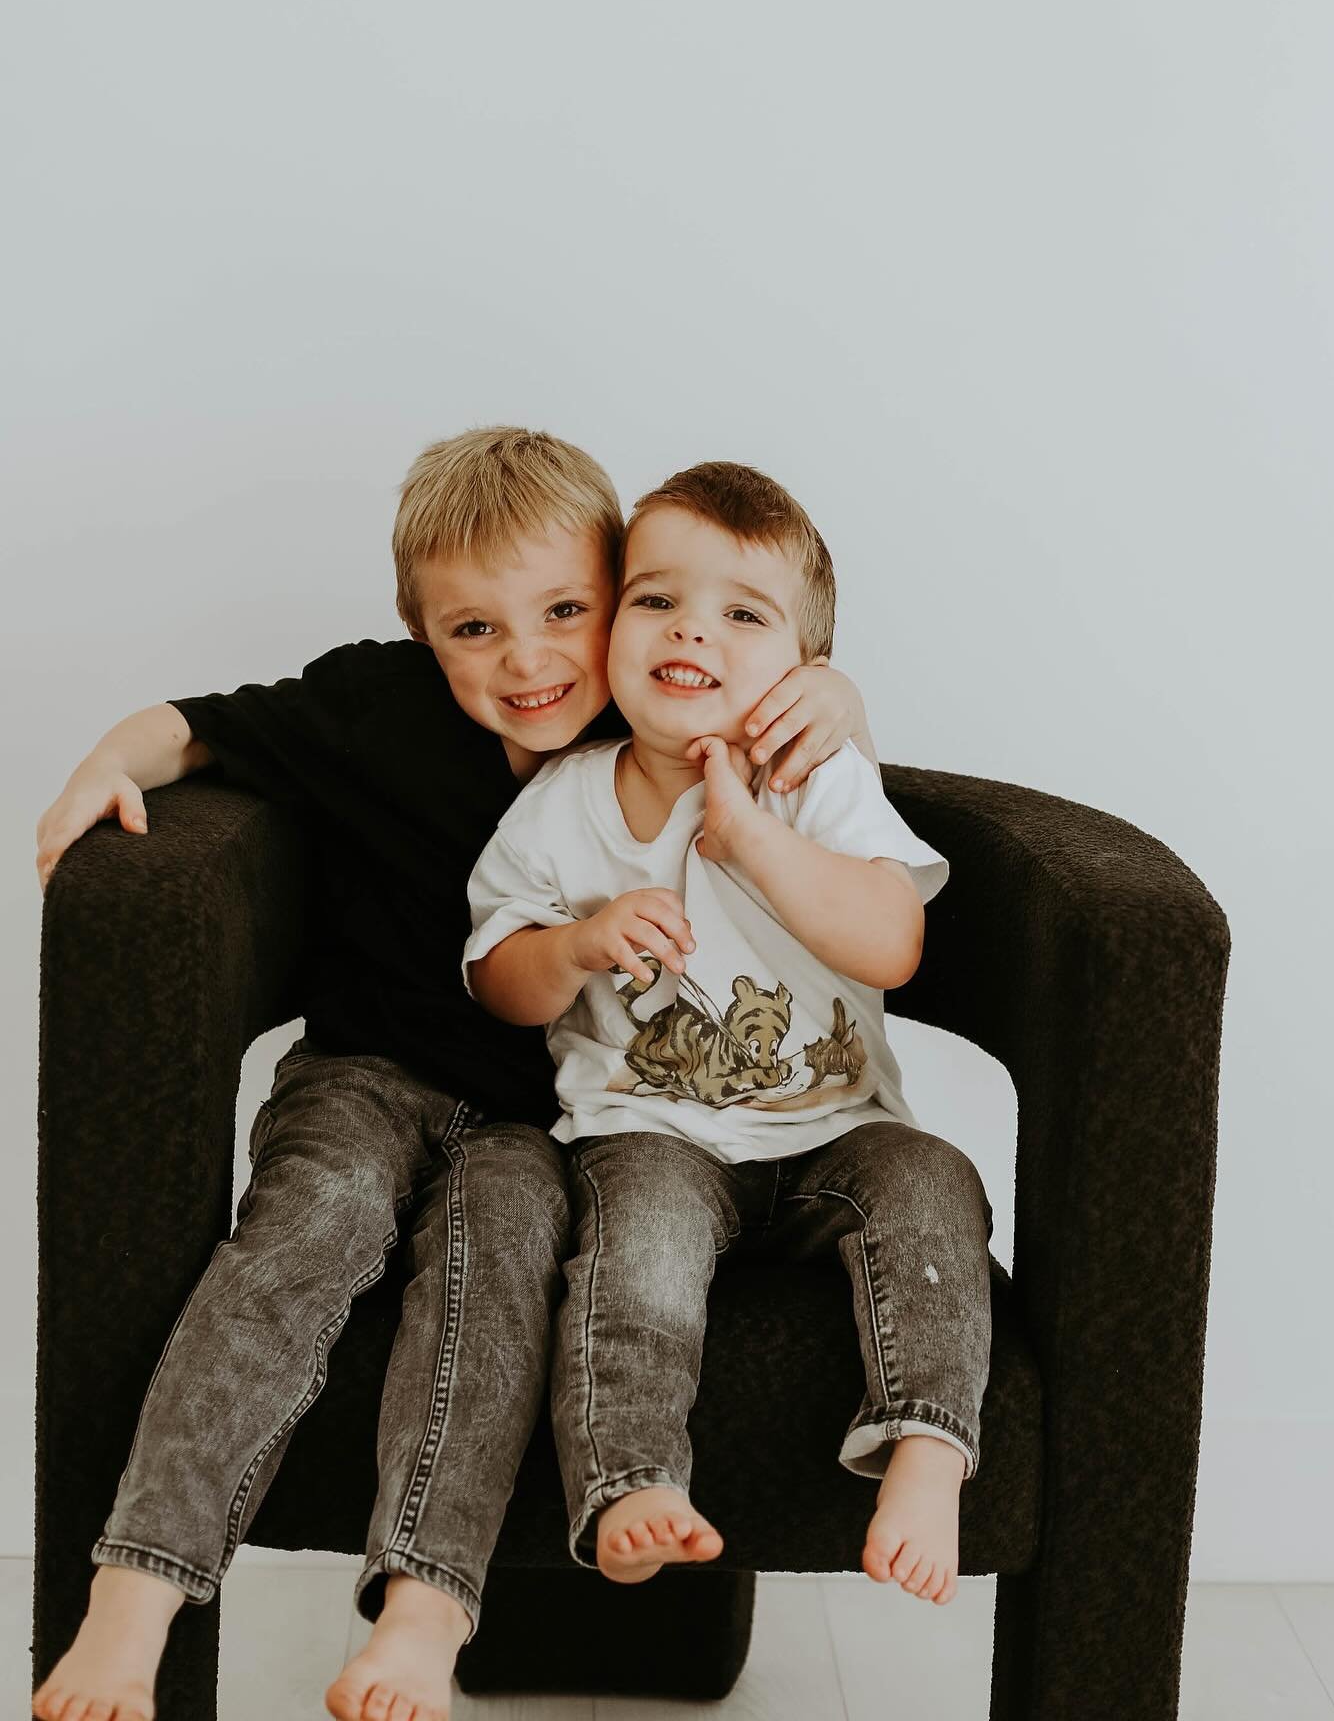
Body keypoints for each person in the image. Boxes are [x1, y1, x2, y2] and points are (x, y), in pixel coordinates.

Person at [32, 427, 875, 1721]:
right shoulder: (380, 704)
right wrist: (103, 764)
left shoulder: (666, 726)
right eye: (472, 629)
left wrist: (842, 695)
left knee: (493, 1289)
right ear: (421, 633)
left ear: (623, 601)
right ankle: (132, 1597)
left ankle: (425, 1616)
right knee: (303, 1233)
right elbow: (198, 728)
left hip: (541, 1128)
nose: (528, 659)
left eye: (563, 614)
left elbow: (793, 695)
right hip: (366, 1072)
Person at [464, 460, 994, 1612]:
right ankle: (629, 1482)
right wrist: (580, 943)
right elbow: (499, 978)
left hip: (835, 1134)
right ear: (610, 630)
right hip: (651, 1133)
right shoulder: (563, 800)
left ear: (806, 670)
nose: (690, 628)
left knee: (934, 1181)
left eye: (741, 613)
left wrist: (756, 841)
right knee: (634, 1246)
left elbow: (894, 939)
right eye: (656, 600)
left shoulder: (812, 776)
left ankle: (928, 1445)